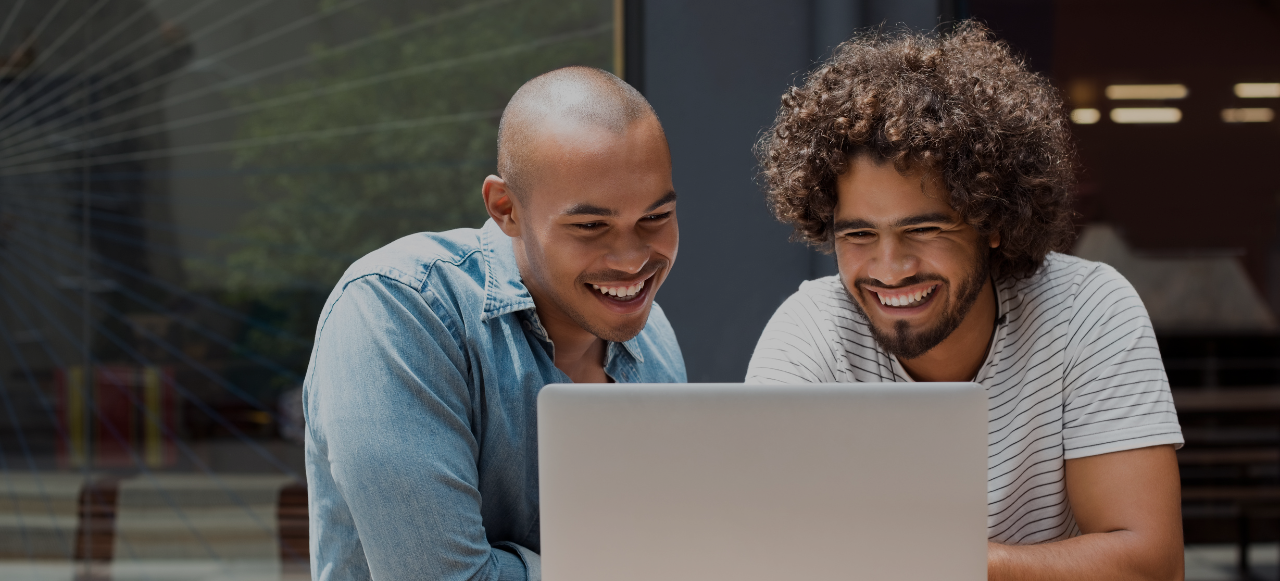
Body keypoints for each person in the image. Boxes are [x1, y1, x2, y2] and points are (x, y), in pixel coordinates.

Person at [748, 23, 1184, 581]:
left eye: (924, 230)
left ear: (992, 223)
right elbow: (765, 554)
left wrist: (953, 562)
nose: (889, 268)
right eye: (858, 236)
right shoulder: (810, 334)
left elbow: (1152, 566)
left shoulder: (1088, 312)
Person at [303, 66, 684, 581]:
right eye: (591, 226)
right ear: (506, 208)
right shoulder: (397, 307)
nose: (631, 259)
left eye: (655, 218)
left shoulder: (653, 335)